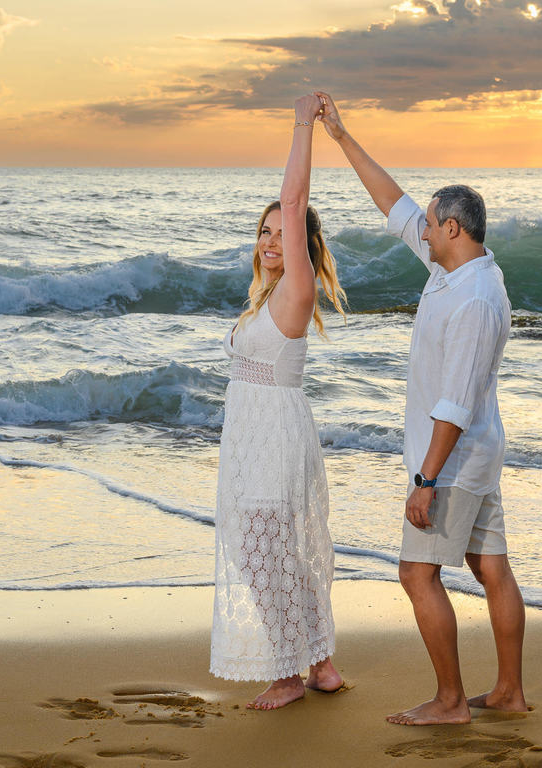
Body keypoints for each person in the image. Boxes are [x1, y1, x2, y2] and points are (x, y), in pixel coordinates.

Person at [316, 91, 526, 725]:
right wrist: (341, 136)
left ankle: (451, 701)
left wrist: (426, 481)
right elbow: (394, 201)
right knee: (490, 565)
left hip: (454, 460)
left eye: (432, 224)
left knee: (415, 574)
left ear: (453, 230)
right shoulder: (452, 268)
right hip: (476, 453)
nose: (423, 229)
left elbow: (454, 404)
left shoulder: (475, 301)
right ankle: (510, 694)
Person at [210, 94, 347, 710]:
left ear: (302, 242)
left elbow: (294, 201)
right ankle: (319, 664)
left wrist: (300, 125)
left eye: (282, 232)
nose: (271, 239)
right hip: (258, 433)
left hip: (272, 435)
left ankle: (289, 671)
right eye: (263, 232)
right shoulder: (263, 301)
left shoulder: (296, 290)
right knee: (273, 547)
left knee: (259, 547)